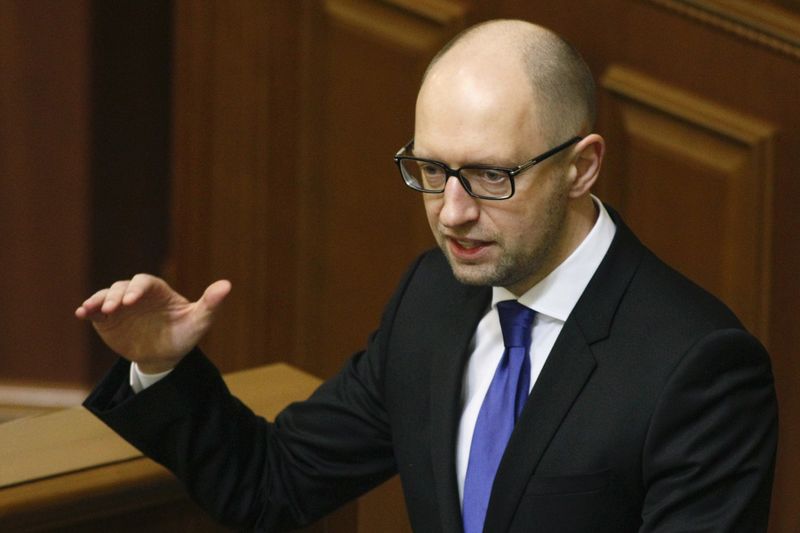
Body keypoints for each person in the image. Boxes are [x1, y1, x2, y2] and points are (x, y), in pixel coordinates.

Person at [77, 19, 777, 533]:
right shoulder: (435, 298)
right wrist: (164, 365)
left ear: (582, 166)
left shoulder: (698, 366)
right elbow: (274, 483)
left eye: (488, 176)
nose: (452, 213)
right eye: (432, 170)